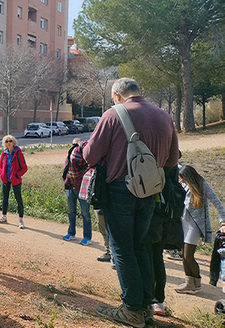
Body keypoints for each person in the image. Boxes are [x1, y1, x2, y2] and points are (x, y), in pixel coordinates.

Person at [84, 78, 179, 327]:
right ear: (138, 92)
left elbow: (90, 156)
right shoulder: (163, 116)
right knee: (140, 248)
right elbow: (171, 161)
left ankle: (132, 310)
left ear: (117, 95)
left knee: (122, 250)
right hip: (150, 192)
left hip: (120, 191)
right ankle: (146, 307)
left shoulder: (113, 114)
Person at [175, 164, 225, 294]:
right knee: (183, 255)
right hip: (183, 223)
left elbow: (217, 203)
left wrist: (223, 222)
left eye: (182, 178)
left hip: (195, 225)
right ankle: (189, 282)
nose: (180, 180)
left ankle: (196, 282)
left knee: (188, 256)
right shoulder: (184, 185)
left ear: (188, 178)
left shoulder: (203, 186)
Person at [62, 137, 93, 245]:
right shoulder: (71, 154)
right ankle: (71, 233)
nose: (74, 145)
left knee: (85, 213)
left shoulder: (85, 154)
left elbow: (90, 165)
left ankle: (87, 237)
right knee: (71, 212)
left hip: (82, 187)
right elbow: (66, 168)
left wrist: (80, 142)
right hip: (70, 186)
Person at [0, 135, 27, 228]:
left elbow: (24, 168)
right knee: (5, 198)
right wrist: (1, 175)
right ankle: (4, 217)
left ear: (13, 142)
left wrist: (17, 175)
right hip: (6, 179)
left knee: (18, 199)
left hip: (15, 180)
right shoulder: (4, 153)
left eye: (10, 141)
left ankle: (21, 220)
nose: (8, 143)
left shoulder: (18, 153)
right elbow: (0, 166)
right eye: (7, 141)